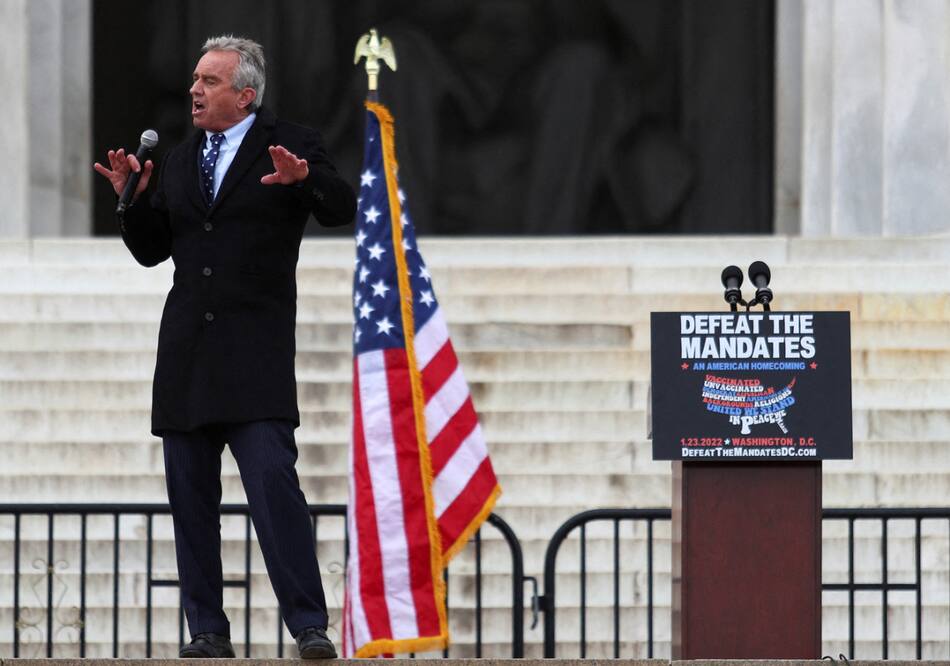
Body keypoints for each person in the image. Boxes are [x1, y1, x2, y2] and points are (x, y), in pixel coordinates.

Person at [93, 35, 355, 659]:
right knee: (191, 500)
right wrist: (130, 201)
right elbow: (156, 249)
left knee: (273, 486)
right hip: (187, 356)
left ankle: (308, 625)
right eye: (193, 80)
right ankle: (207, 632)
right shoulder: (181, 161)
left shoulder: (290, 143)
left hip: (255, 356)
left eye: (208, 81)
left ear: (245, 95)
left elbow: (340, 205)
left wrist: (304, 180)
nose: (194, 90)